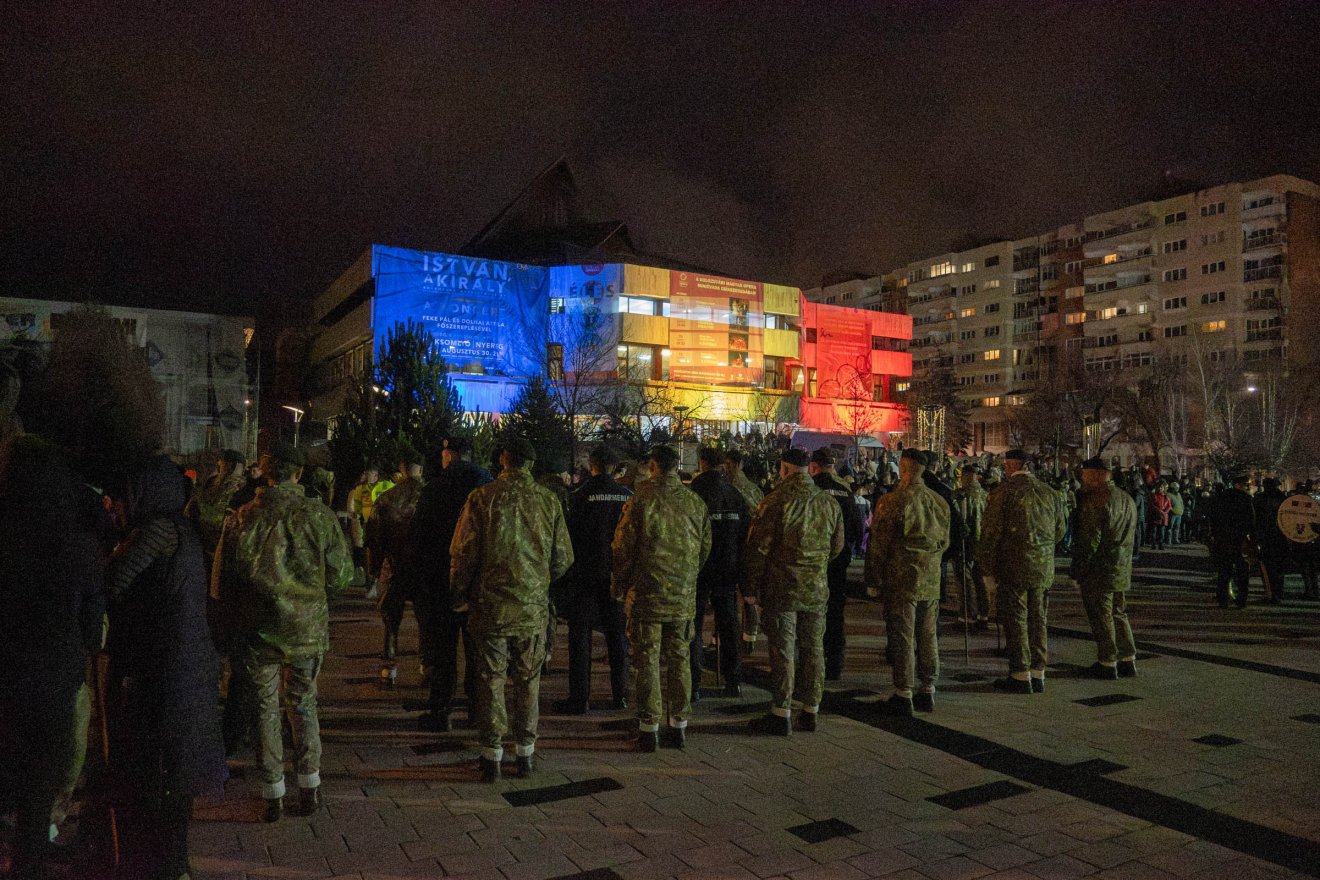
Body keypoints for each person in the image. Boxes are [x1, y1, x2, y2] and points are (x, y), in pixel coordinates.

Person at [216, 443, 354, 821]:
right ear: (298, 473)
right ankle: (309, 784)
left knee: (264, 706)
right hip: (306, 628)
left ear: (266, 472)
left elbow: (222, 583)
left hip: (259, 629)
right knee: (303, 702)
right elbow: (342, 576)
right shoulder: (320, 516)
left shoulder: (242, 517)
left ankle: (272, 791)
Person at [106, 455, 228, 879]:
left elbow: (114, 582)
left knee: (160, 774)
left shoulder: (157, 531)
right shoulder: (182, 529)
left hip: (166, 670)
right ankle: (174, 866)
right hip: (187, 665)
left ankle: (164, 866)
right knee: (175, 774)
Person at [0, 436, 106, 878]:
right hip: (53, 678)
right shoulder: (76, 546)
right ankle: (28, 862)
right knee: (39, 780)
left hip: (7, 672)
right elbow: (92, 627)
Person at [449, 438, 573, 781]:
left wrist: (459, 592)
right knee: (528, 681)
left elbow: (463, 553)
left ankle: (491, 755)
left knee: (491, 680)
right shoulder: (548, 501)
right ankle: (525, 753)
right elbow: (563, 557)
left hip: (491, 607)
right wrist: (537, 582)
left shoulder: (482, 498)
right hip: (531, 609)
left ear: (503, 461)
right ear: (530, 463)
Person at [611, 445, 711, 751]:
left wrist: (620, 584)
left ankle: (648, 728)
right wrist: (686, 576)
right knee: (680, 658)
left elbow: (623, 548)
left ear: (653, 466)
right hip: (681, 595)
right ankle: (678, 725)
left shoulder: (640, 499)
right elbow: (705, 546)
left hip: (647, 594)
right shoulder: (694, 502)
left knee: (647, 660)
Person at [743, 447, 844, 735]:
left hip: (782, 587)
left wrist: (750, 587)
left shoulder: (775, 502)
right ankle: (811, 709)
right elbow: (836, 547)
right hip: (816, 588)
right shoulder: (828, 503)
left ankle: (781, 712)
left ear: (784, 469)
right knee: (813, 649)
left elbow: (758, 549)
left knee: (783, 651)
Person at [410, 436, 493, 731]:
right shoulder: (488, 487)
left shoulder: (435, 488)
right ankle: (477, 710)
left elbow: (419, 537)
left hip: (441, 580)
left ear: (449, 455)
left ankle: (440, 710)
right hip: (481, 582)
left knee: (443, 650)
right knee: (477, 651)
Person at [866, 448, 950, 715]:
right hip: (930, 578)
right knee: (927, 634)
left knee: (902, 635)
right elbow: (945, 541)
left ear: (903, 468)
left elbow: (879, 544)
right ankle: (928, 688)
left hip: (902, 577)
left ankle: (904, 691)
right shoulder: (939, 502)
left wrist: (874, 578)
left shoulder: (892, 501)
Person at [978, 449, 1067, 694]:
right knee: (1038, 618)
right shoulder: (1050, 493)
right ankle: (1038, 671)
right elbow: (1060, 530)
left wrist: (987, 569)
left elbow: (990, 534)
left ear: (1010, 466)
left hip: (1013, 565)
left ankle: (1020, 673)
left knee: (1016, 619)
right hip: (1043, 566)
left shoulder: (1004, 493)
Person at [555, 444, 632, 714]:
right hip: (614, 575)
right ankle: (620, 695)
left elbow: (568, 536)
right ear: (614, 467)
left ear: (593, 465)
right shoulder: (627, 497)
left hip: (584, 574)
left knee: (580, 638)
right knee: (617, 636)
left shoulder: (578, 496)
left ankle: (579, 699)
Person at [688, 446, 749, 700]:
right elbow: (746, 534)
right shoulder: (735, 494)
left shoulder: (694, 493)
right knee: (728, 623)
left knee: (694, 625)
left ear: (702, 463)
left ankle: (693, 683)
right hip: (727, 567)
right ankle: (733, 680)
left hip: (700, 567)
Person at [1070, 458, 1139, 679]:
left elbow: (1090, 540)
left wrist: (1077, 570)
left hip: (1100, 569)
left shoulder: (1097, 499)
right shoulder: (1126, 498)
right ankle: (1127, 658)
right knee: (1119, 613)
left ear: (1096, 474)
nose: (1082, 479)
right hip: (1121, 566)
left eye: (1085, 475)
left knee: (1102, 616)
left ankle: (1107, 662)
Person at [367, 447, 426, 679]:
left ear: (402, 469)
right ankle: (426, 664)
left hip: (395, 565)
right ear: (421, 469)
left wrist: (375, 570)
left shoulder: (387, 498)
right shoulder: (431, 496)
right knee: (425, 617)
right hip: (425, 567)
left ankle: (389, 663)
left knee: (391, 617)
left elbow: (373, 537)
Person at [808, 447, 863, 681]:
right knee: (835, 611)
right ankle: (835, 661)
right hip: (839, 561)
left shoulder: (811, 489)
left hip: (814, 562)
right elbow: (858, 525)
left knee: (812, 613)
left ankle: (812, 662)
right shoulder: (845, 491)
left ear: (814, 466)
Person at [184, 448, 246, 565]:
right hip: (201, 542)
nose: (218, 464)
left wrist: (197, 505)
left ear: (231, 466)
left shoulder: (239, 490)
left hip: (219, 547)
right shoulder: (212, 482)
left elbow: (220, 516)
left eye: (222, 462)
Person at [1206, 473, 1256, 608]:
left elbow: (1213, 517)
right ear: (1238, 485)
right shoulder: (1246, 499)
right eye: (1246, 485)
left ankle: (1223, 599)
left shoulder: (1221, 497)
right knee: (1242, 571)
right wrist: (1252, 538)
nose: (1248, 487)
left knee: (1224, 570)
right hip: (1240, 539)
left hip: (1223, 538)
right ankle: (1241, 599)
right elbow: (1251, 520)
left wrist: (1215, 534)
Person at [347, 465, 393, 598]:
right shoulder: (359, 490)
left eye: (370, 474)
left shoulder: (383, 488)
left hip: (379, 528)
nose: (367, 476)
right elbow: (353, 509)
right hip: (366, 528)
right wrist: (356, 515)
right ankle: (370, 584)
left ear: (376, 476)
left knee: (377, 555)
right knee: (367, 555)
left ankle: (376, 584)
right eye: (366, 474)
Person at [954, 466, 990, 629]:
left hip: (966, 543)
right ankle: (984, 614)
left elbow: (958, 520)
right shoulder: (985, 495)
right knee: (980, 580)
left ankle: (967, 616)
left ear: (965, 476)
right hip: (982, 543)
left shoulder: (961, 496)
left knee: (965, 580)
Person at [1253, 478, 1288, 604]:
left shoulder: (1260, 499)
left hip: (1268, 537)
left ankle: (1271, 593)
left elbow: (1254, 518)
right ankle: (1277, 592)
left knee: (1268, 567)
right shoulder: (1283, 499)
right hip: (1280, 536)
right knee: (1278, 567)